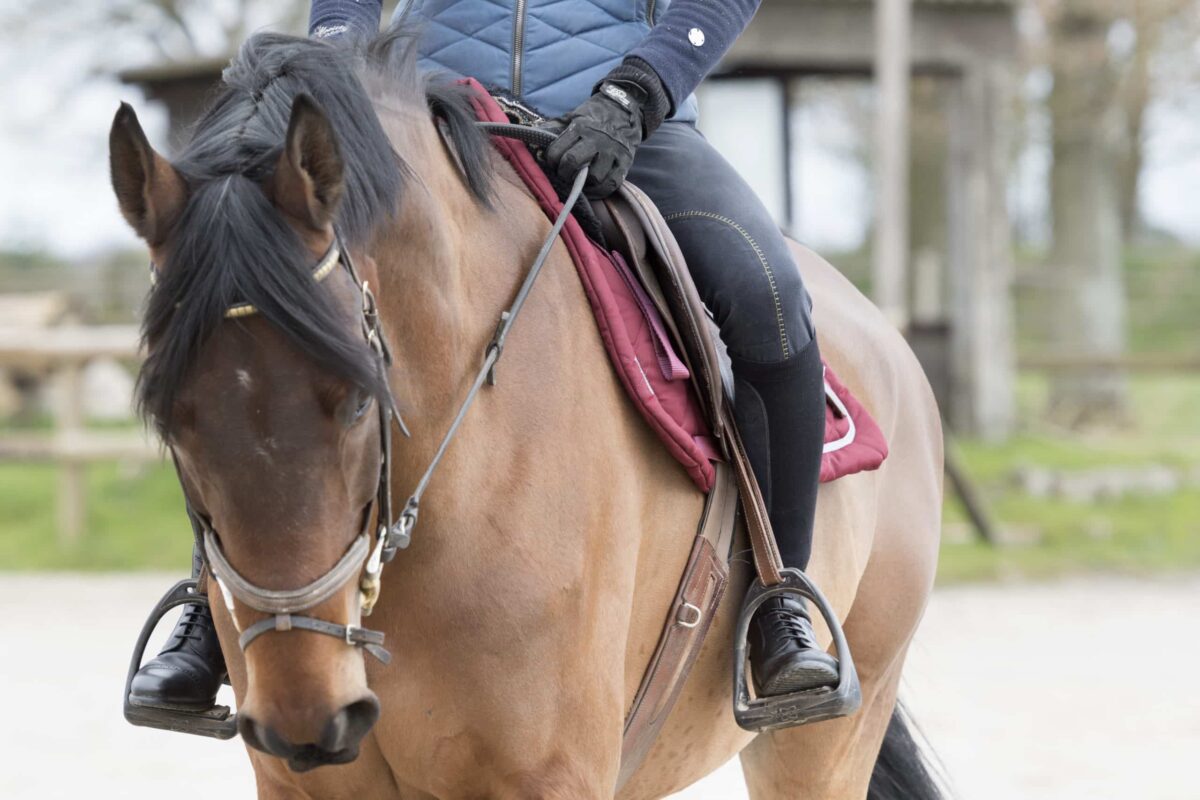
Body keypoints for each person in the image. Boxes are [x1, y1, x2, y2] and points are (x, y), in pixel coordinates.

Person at [129, 0, 838, 718]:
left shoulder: (635, 99)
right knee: (240, 299)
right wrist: (338, 56)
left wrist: (641, 88)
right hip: (426, 119)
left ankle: (780, 598)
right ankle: (215, 611)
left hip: (620, 120)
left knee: (764, 291)